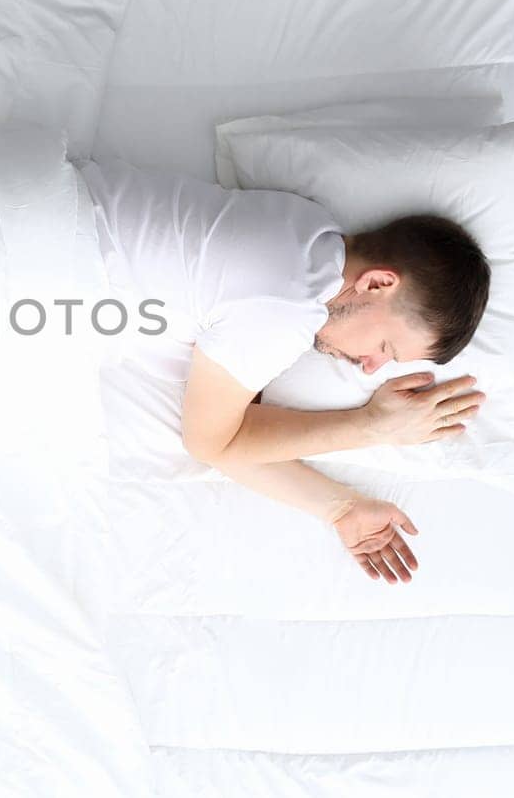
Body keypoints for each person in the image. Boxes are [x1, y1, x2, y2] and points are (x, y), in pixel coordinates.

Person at [73, 156, 491, 585]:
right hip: (34, 266)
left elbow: (236, 440)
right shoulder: (287, 309)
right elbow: (210, 443)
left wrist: (340, 507)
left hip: (43, 199)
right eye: (386, 347)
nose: (369, 367)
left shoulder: (306, 228)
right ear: (378, 283)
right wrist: (373, 427)